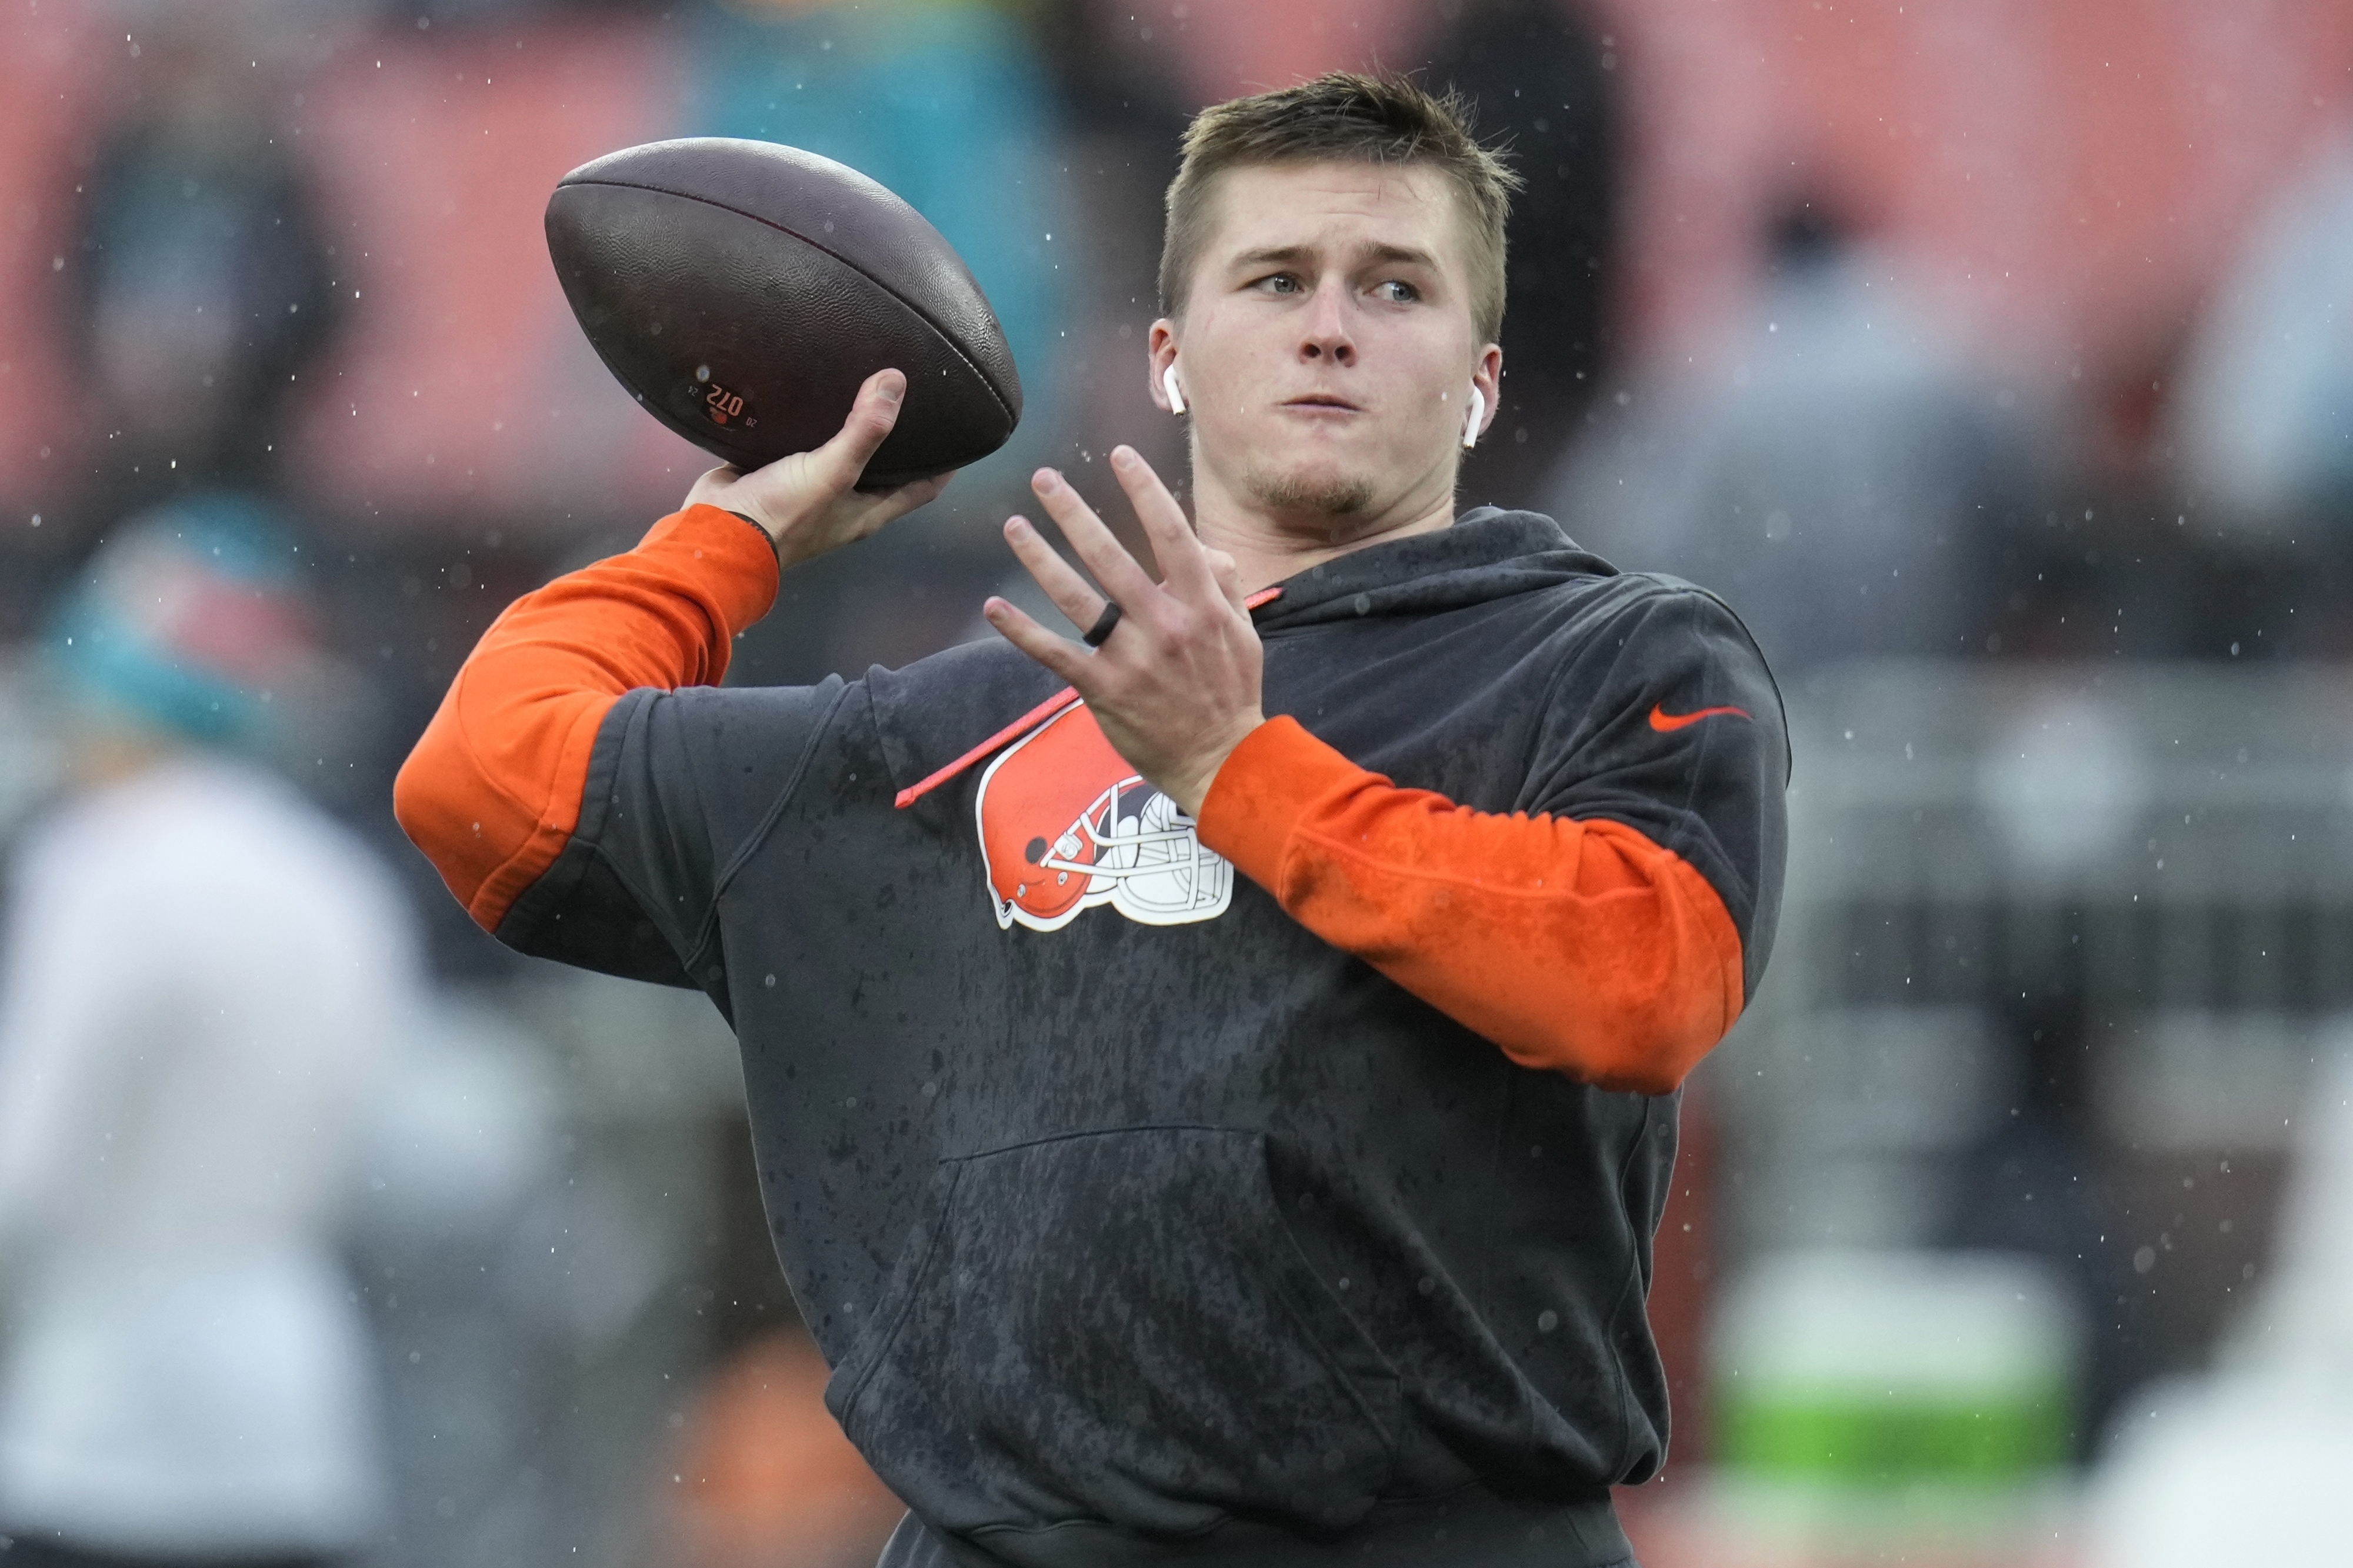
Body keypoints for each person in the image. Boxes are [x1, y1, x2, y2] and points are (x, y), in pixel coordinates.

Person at [396, 74, 1787, 1568]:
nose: (1331, 323)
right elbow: (488, 781)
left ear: (1481, 379)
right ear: (1170, 362)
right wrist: (731, 536)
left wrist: (1234, 770)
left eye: (1394, 287)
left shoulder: (1608, 656)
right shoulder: (952, 726)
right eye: (1276, 280)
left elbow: (1643, 977)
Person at [0, 498, 412, 1568]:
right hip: (298, 1422)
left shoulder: (102, 867)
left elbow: (29, 1171)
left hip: (112, 1428)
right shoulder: (342, 884)